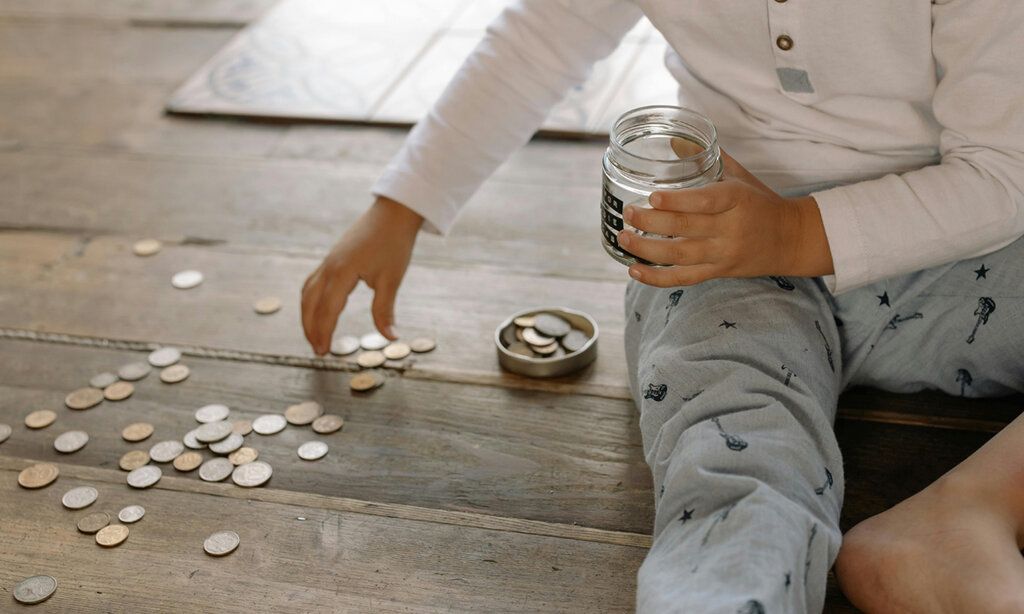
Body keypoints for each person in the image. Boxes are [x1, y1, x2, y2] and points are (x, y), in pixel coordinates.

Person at [301, 2, 1024, 612]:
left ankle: (973, 505)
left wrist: (800, 231)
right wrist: (402, 204)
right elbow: (543, 35)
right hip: (723, 263)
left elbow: (1002, 172)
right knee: (732, 459)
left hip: (960, 260)